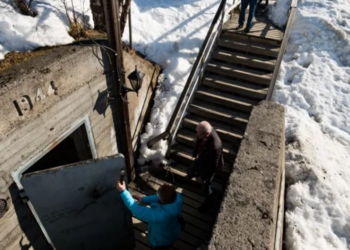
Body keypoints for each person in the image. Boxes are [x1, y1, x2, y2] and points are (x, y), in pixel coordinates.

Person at [116, 181, 183, 250]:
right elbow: (158, 198)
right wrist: (144, 199)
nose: (157, 195)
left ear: (163, 200)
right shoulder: (176, 198)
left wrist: (123, 192)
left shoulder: (160, 216)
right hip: (173, 230)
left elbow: (138, 211)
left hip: (161, 242)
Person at [187, 121, 224, 212]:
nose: (196, 134)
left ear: (206, 134)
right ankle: (195, 175)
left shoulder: (215, 146)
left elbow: (213, 165)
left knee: (206, 188)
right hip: (201, 157)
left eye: (198, 133)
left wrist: (203, 177)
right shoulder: (204, 133)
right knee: (189, 172)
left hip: (209, 166)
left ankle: (209, 202)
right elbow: (199, 141)